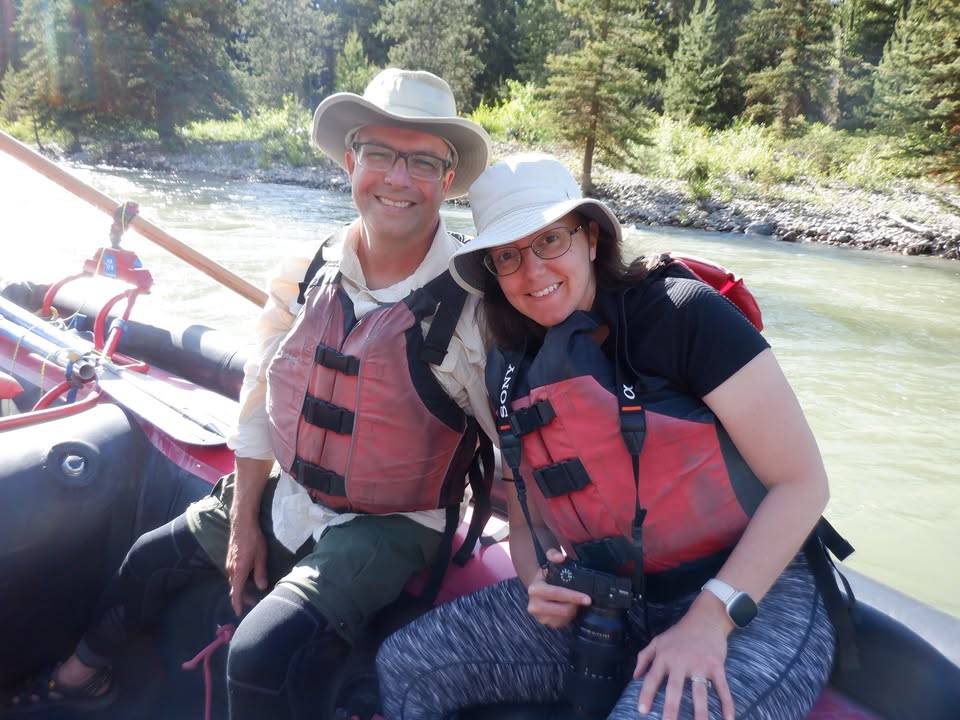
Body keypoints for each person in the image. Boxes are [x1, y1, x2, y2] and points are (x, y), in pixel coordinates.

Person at [6, 68, 495, 720]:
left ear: (447, 180)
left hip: (393, 521)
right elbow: (261, 394)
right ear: (352, 161)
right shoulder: (303, 271)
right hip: (287, 485)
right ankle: (77, 681)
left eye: (424, 162)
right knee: (149, 561)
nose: (398, 179)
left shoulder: (476, 308)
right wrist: (243, 525)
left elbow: (515, 449)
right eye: (380, 153)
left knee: (261, 653)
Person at [376, 153, 851, 720]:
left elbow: (802, 484)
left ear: (592, 238)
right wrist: (537, 580)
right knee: (408, 662)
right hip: (607, 601)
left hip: (753, 600)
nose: (533, 272)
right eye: (508, 255)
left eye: (551, 239)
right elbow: (526, 522)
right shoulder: (508, 365)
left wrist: (707, 621)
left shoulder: (684, 316)